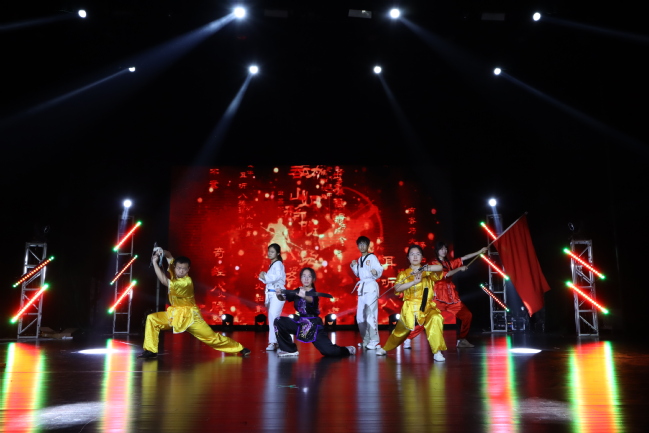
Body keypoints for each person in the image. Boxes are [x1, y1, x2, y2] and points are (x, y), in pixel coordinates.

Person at [138, 248, 250, 358]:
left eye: (184, 269)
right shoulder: (174, 269)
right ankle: (150, 350)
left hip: (191, 317)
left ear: (188, 270)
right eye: (179, 268)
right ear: (175, 267)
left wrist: (154, 262)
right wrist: (162, 251)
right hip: (175, 314)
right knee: (152, 319)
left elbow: (163, 280)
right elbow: (169, 255)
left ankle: (240, 348)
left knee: (212, 338)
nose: (181, 271)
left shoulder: (186, 282)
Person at [403, 242, 486, 349]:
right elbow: (446, 275)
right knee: (426, 319)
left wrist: (479, 252)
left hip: (451, 296)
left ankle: (462, 339)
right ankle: (408, 338)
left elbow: (463, 258)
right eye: (441, 249)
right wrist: (459, 269)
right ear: (437, 251)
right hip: (438, 296)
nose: (444, 251)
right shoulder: (433, 264)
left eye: (445, 249)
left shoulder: (448, 263)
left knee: (467, 315)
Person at [376, 245, 447, 361]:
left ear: (422, 257)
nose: (415, 257)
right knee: (399, 332)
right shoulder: (404, 274)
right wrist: (413, 282)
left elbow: (440, 268)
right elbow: (397, 288)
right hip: (410, 308)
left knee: (436, 318)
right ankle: (385, 348)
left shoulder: (427, 272)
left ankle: (437, 352)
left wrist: (424, 269)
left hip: (427, 307)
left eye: (418, 254)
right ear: (408, 257)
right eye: (412, 254)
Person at [274, 267, 355, 357]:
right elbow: (283, 298)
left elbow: (310, 299)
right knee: (279, 321)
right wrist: (279, 295)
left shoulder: (313, 293)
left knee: (329, 351)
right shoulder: (298, 291)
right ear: (301, 278)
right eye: (304, 276)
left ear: (313, 279)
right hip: (300, 322)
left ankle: (347, 350)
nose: (306, 279)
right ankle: (289, 350)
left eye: (309, 276)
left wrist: (304, 296)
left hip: (313, 325)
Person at [350, 235, 383, 350]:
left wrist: (376, 272)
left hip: (371, 288)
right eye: (360, 244)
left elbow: (379, 269)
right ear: (358, 246)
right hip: (362, 288)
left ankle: (374, 341)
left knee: (370, 314)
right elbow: (359, 274)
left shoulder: (372, 257)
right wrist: (354, 266)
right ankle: (366, 340)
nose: (362, 246)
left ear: (368, 246)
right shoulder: (359, 259)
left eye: (364, 244)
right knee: (360, 317)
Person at [258, 243, 287, 351]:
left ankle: (273, 342)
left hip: (277, 293)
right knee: (273, 318)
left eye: (272, 252)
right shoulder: (273, 265)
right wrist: (263, 276)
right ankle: (277, 341)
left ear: (278, 253)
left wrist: (264, 276)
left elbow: (276, 277)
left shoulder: (278, 263)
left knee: (273, 318)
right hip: (272, 294)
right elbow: (269, 280)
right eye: (269, 251)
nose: (269, 253)